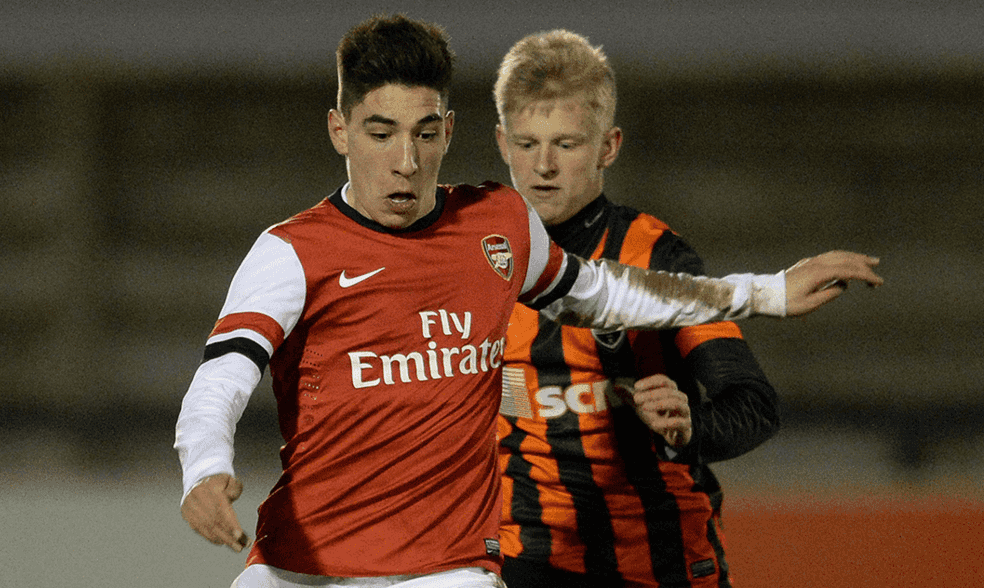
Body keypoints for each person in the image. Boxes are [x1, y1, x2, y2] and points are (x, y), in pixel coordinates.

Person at [173, 14, 883, 588]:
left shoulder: (501, 228)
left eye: (424, 134)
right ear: (340, 131)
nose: (406, 161)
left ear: (448, 132)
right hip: (315, 561)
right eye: (380, 134)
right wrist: (205, 468)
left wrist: (763, 293)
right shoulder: (293, 251)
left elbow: (605, 293)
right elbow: (221, 380)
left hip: (481, 568)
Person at [492, 30, 807, 587]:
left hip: (657, 560)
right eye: (526, 143)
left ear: (608, 146)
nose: (543, 165)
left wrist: (687, 429)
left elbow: (754, 405)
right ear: (501, 142)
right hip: (527, 560)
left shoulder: (655, 254)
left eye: (566, 144)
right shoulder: (473, 254)